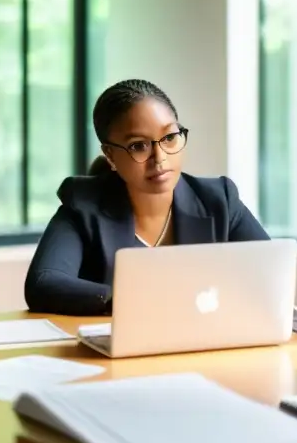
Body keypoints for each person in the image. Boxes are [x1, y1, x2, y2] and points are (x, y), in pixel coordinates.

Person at [25, 79, 269, 315]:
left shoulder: (219, 200)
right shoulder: (83, 206)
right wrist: (130, 300)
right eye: (139, 146)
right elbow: (44, 282)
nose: (160, 158)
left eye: (170, 137)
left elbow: (269, 271)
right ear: (110, 155)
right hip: (118, 351)